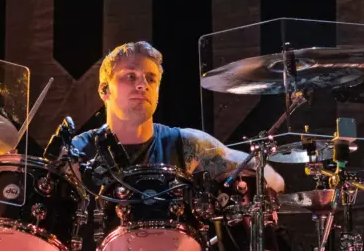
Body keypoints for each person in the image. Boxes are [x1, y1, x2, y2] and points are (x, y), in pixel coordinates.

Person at [70, 41, 285, 191]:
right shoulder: (78, 152)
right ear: (104, 90)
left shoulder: (187, 144)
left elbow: (273, 179)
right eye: (130, 76)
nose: (143, 85)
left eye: (151, 78)